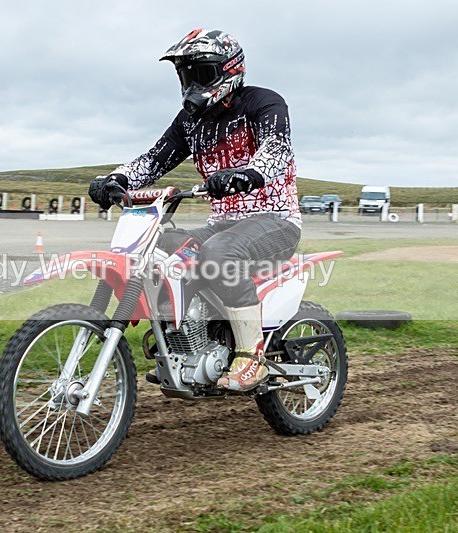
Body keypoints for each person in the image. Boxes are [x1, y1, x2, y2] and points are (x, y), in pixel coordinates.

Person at [89, 29, 301, 391]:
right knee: (162, 246)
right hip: (223, 222)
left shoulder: (264, 102)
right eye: (186, 76)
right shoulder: (190, 121)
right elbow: (154, 159)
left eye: (200, 74)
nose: (192, 85)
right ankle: (187, 344)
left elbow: (276, 150)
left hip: (274, 220)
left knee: (221, 252)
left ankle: (252, 357)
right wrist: (116, 178)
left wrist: (248, 173)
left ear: (228, 69)